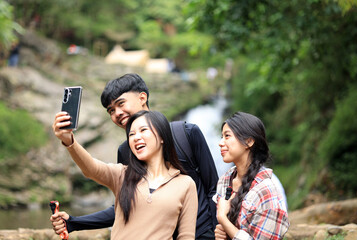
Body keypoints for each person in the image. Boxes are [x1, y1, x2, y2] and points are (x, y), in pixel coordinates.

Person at [50, 73, 219, 239]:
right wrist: (74, 222)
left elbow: (214, 189)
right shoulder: (125, 153)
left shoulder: (186, 134)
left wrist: (216, 233)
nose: (117, 113)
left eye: (121, 103)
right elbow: (128, 204)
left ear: (142, 98)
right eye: (111, 110)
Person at [53, 110, 198, 239]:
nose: (136, 137)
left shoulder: (185, 184)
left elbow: (186, 236)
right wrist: (68, 139)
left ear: (162, 137)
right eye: (131, 134)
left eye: (143, 130)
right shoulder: (122, 174)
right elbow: (91, 168)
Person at [213, 112, 289, 240]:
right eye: (222, 136)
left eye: (227, 136)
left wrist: (223, 220)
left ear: (249, 141)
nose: (221, 143)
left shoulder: (267, 190)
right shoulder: (225, 180)